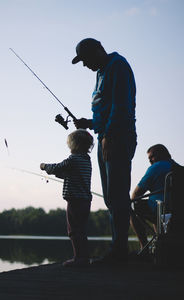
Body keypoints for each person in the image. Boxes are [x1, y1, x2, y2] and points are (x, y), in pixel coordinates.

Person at [72, 38, 137, 264]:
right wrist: (88, 123)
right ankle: (117, 250)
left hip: (117, 138)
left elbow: (121, 106)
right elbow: (106, 109)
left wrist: (108, 136)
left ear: (98, 50)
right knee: (111, 197)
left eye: (86, 59)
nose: (84, 65)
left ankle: (119, 253)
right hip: (105, 137)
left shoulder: (117, 65)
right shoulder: (101, 72)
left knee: (117, 196)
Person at [40, 129, 94, 267]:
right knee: (81, 230)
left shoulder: (73, 159)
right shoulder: (86, 160)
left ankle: (79, 259)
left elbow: (58, 167)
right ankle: (84, 257)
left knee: (74, 230)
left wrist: (45, 166)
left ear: (74, 145)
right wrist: (58, 174)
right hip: (85, 200)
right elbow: (68, 174)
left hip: (75, 200)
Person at [130, 144, 177, 254]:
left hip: (161, 210)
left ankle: (144, 248)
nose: (150, 160)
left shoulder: (155, 167)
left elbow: (135, 194)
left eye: (152, 157)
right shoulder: (178, 168)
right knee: (157, 208)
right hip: (177, 211)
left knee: (131, 207)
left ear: (162, 155)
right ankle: (159, 244)